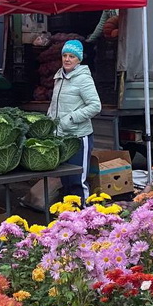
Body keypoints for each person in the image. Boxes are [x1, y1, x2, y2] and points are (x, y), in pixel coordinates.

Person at [47, 40, 101, 203]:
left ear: (79, 59)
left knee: (78, 181)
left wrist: (71, 119)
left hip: (79, 138)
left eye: (72, 56)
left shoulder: (83, 79)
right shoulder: (59, 78)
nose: (67, 59)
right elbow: (55, 105)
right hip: (62, 138)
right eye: (65, 55)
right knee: (66, 180)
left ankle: (83, 214)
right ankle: (68, 214)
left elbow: (95, 106)